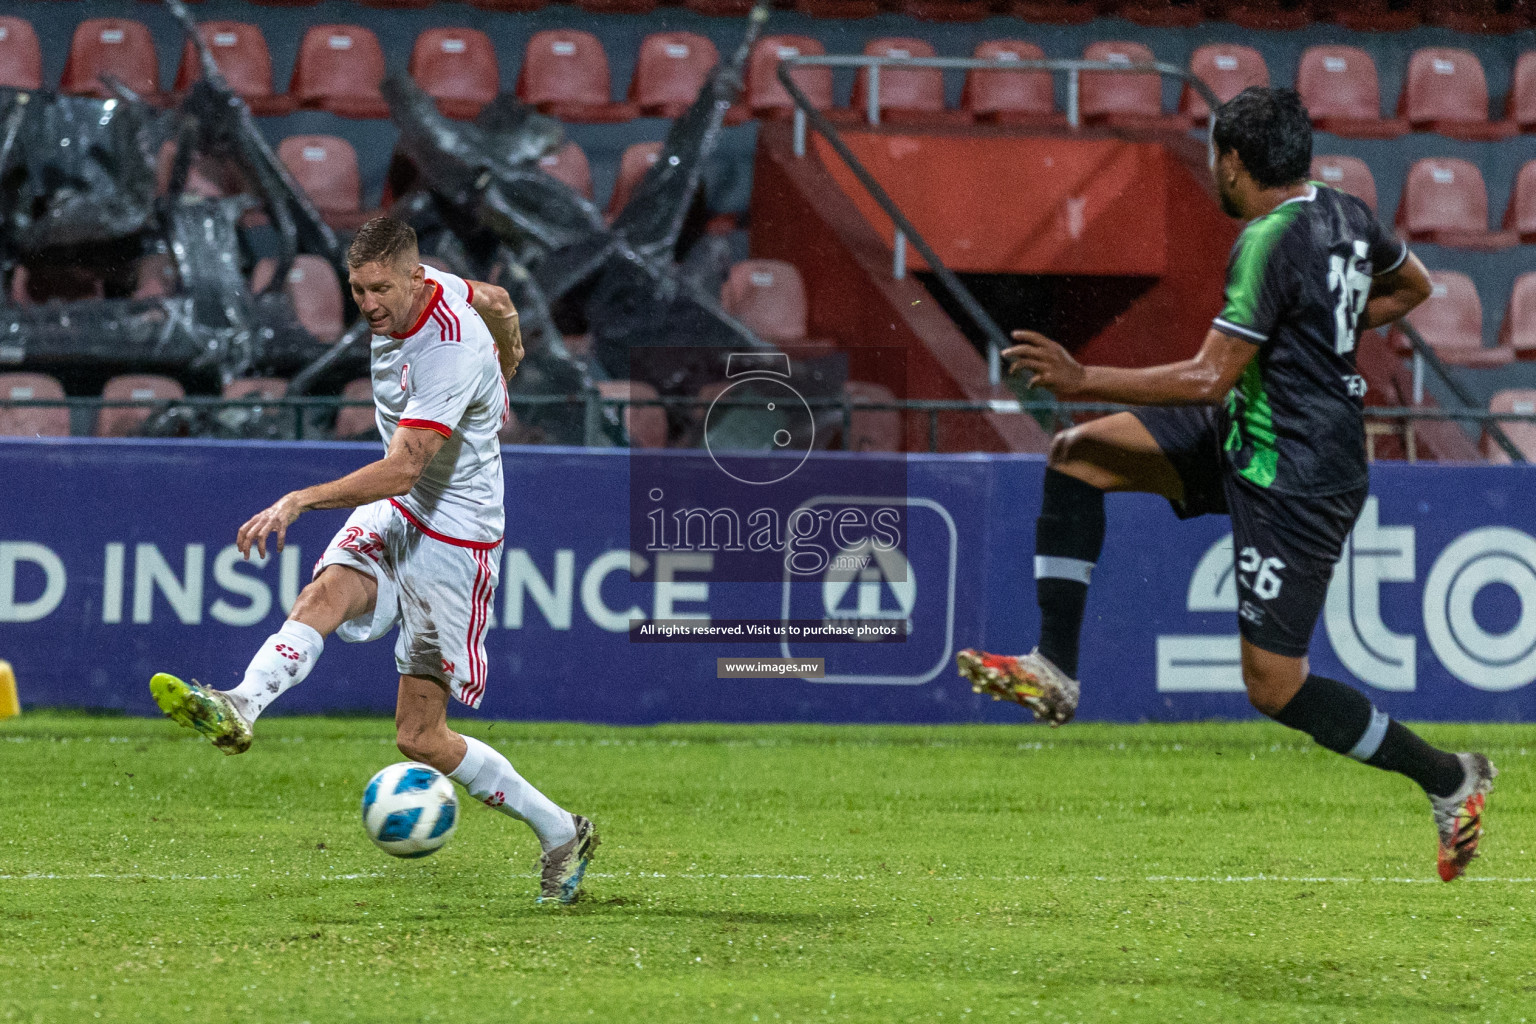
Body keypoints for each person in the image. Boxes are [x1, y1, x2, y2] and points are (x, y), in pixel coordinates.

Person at [956, 88, 1494, 882]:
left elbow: (1209, 377)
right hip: (1255, 429)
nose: (1213, 168)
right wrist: (1322, 338)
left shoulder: (1266, 241)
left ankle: (1451, 778)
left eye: (1215, 155)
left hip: (1301, 474)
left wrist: (1081, 375)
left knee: (1274, 687)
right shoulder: (1346, 211)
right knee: (1079, 455)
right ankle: (1054, 667)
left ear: (1234, 162)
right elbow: (1415, 286)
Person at [150, 217, 599, 904]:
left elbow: (403, 468)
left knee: (419, 738)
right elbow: (502, 302)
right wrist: (507, 373)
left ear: (414, 278)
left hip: (455, 536)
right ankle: (241, 702)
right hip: (404, 510)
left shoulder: (447, 350)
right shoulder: (438, 288)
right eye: (357, 289)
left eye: (379, 289)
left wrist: (299, 499)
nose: (367, 304)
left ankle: (561, 829)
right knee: (326, 592)